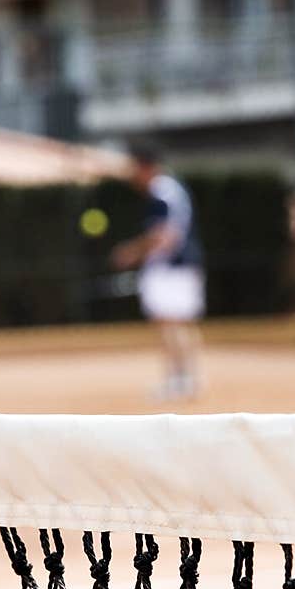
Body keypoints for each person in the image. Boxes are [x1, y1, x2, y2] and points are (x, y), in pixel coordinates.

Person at [111, 139, 205, 400]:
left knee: (170, 324)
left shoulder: (161, 192)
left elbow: (164, 235)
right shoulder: (172, 189)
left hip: (171, 267)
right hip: (180, 265)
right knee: (179, 324)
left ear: (144, 166)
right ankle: (186, 379)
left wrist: (132, 251)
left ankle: (180, 381)